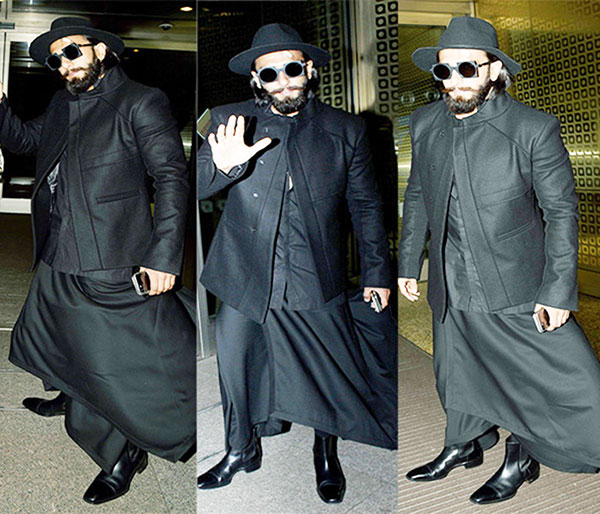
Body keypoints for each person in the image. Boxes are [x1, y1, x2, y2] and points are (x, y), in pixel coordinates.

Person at [398, 15, 600, 505]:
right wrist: (407, 263)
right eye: (444, 71)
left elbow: (560, 212)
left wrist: (557, 291)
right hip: (450, 274)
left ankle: (523, 452)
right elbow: (418, 195)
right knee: (457, 365)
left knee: (573, 382)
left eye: (468, 68)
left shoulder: (533, 128)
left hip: (517, 279)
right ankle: (463, 442)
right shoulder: (424, 123)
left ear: (494, 69)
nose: (455, 81)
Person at [196, 23, 396, 504]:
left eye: (291, 69)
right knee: (236, 362)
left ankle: (324, 451)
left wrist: (377, 272)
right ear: (256, 80)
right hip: (243, 268)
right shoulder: (227, 121)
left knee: (325, 367)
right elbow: (195, 187)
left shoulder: (345, 130)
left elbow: (366, 206)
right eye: (269, 74)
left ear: (308, 69)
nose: (283, 82)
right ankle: (240, 449)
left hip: (312, 267)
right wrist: (223, 166)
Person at [3, 17, 195, 505]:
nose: (64, 63)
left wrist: (163, 256)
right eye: (56, 58)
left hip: (111, 252)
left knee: (112, 361)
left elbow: (171, 176)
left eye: (73, 51)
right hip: (59, 246)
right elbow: (23, 141)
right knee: (50, 330)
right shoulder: (62, 104)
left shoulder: (140, 101)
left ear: (101, 51)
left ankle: (123, 454)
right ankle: (72, 391)